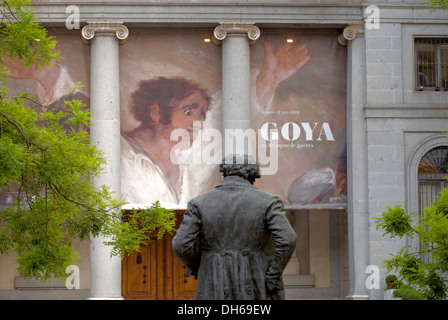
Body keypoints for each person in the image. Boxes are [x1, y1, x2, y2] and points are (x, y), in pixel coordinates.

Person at [172, 154, 297, 300]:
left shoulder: (198, 203)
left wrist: (202, 264)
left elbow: (181, 245)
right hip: (256, 280)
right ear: (253, 175)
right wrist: (273, 275)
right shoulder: (268, 202)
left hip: (213, 282)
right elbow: (288, 239)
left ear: (224, 172)